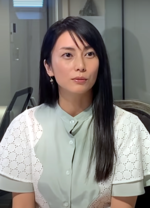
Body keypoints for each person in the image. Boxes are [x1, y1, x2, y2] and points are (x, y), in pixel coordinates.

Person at [0, 16, 150, 208]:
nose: (81, 65)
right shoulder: (24, 127)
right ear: (48, 67)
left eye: (89, 54)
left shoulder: (125, 126)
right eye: (68, 55)